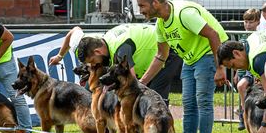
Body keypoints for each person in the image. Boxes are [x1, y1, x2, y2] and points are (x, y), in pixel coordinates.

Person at [135, 0, 228, 133]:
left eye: (142, 6)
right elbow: (161, 56)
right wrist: (142, 82)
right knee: (188, 103)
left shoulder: (184, 14)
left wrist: (220, 67)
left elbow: (213, 35)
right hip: (190, 59)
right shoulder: (161, 24)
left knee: (203, 101)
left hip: (208, 53)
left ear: (155, 3)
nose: (140, 11)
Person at [50, 23, 181, 104]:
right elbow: (74, 30)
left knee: (152, 99)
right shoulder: (90, 40)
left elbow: (133, 84)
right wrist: (59, 56)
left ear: (97, 51)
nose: (93, 66)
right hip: (143, 52)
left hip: (166, 52)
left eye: (92, 62)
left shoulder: (120, 51)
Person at [234, 8, 262, 131]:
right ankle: (244, 112)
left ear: (258, 23)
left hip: (251, 70)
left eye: (251, 22)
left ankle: (243, 113)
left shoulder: (259, 36)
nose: (248, 25)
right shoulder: (242, 37)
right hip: (241, 70)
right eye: (246, 22)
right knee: (241, 89)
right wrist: (236, 73)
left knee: (241, 86)